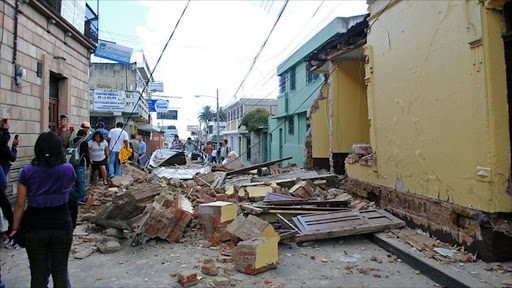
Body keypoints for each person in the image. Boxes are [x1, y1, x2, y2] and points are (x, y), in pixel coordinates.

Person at [10, 132, 76, 287]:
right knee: (60, 274)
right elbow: (69, 190)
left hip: (36, 227)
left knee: (38, 275)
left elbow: (20, 204)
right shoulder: (68, 169)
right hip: (62, 225)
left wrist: (15, 228)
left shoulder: (27, 171)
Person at [0, 119, 18, 238]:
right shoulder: (3, 145)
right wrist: (14, 146)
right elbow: (12, 157)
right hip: (1, 177)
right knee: (5, 205)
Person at [70, 130, 90, 204]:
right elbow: (86, 154)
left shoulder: (71, 141)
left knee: (73, 181)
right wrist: (88, 164)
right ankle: (80, 198)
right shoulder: (83, 142)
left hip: (71, 163)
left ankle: (73, 197)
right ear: (84, 135)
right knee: (81, 181)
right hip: (79, 164)